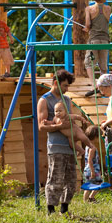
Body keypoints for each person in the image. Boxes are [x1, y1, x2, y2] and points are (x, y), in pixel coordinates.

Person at [37, 69, 87, 215]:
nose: (66, 89)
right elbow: (41, 126)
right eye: (64, 86)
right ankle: (50, 210)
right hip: (56, 146)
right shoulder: (45, 100)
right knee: (55, 179)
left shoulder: (66, 100)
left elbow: (70, 120)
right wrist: (59, 126)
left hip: (69, 145)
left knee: (71, 180)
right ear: (55, 83)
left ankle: (64, 209)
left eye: (67, 86)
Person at [83, 0, 111, 97]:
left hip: (94, 39)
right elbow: (107, 21)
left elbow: (88, 25)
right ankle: (103, 87)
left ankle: (94, 85)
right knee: (103, 66)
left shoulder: (89, 9)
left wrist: (86, 29)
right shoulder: (108, 9)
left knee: (88, 63)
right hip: (105, 40)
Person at [82, 125, 104, 203]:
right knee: (99, 184)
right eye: (99, 137)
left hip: (88, 169)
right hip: (91, 169)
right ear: (95, 137)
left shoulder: (87, 146)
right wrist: (92, 172)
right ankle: (89, 199)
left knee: (89, 186)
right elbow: (90, 160)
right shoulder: (92, 148)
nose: (99, 139)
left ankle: (88, 199)